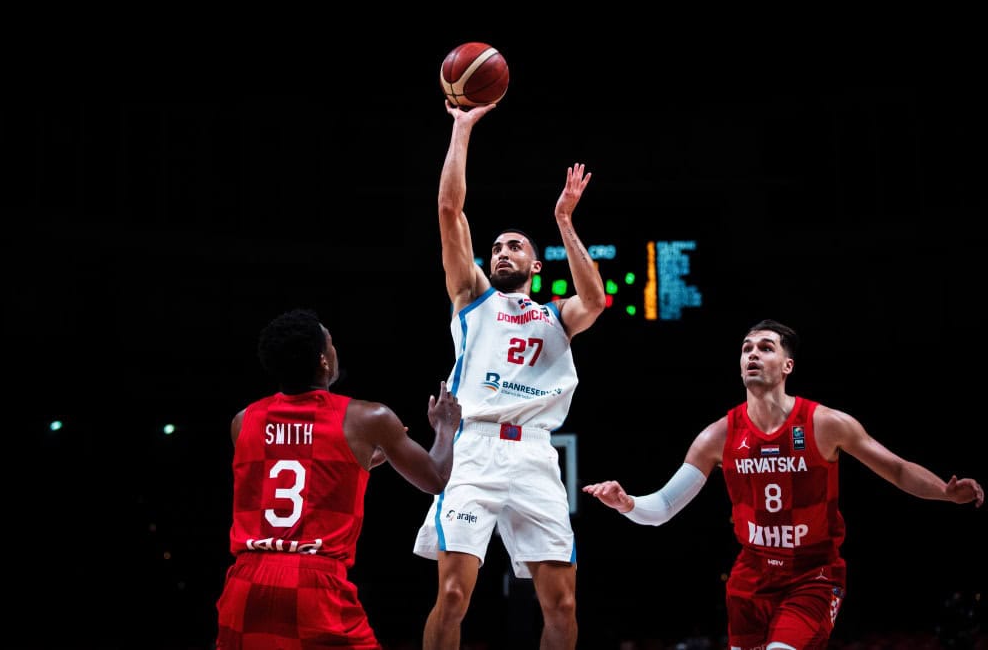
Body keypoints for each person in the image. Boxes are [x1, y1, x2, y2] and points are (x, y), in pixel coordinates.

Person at [583, 318, 984, 650]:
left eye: (765, 347)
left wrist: (945, 493)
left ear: (787, 366)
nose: (752, 354)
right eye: (746, 348)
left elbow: (896, 469)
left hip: (814, 574)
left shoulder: (826, 424)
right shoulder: (717, 437)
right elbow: (664, 508)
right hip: (750, 578)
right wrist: (628, 503)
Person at [412, 100, 607, 650]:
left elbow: (594, 298)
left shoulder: (556, 315)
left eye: (514, 246)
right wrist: (461, 127)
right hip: (474, 451)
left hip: (535, 455)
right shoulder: (472, 297)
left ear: (535, 265)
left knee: (563, 606)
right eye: (496, 246)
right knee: (451, 598)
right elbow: (450, 210)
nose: (501, 252)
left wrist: (565, 220)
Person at [215, 308, 462, 649]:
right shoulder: (366, 417)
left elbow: (289, 472)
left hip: (246, 582)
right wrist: (446, 428)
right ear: (323, 362)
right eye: (330, 342)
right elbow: (435, 478)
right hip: (313, 583)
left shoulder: (243, 421)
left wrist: (359, 462)